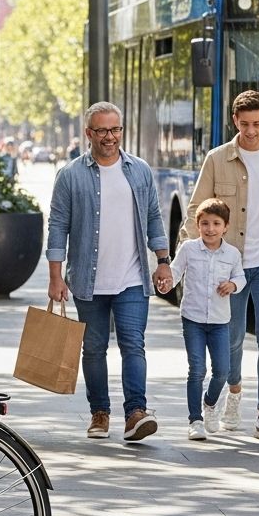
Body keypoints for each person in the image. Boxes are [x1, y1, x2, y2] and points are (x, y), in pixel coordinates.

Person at [181, 89, 259, 442]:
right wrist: (187, 255)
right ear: (234, 121)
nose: (251, 130)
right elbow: (196, 210)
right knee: (233, 340)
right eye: (244, 123)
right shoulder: (218, 158)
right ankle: (233, 393)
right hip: (227, 266)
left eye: (257, 123)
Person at [47, 101, 170, 441]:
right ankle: (99, 412)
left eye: (115, 130)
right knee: (94, 349)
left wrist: (162, 261)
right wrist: (55, 276)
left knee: (134, 344)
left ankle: (136, 414)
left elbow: (154, 218)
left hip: (132, 278)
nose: (110, 137)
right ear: (89, 133)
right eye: (102, 130)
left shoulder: (140, 170)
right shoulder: (71, 175)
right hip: (87, 280)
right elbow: (57, 226)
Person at [159, 198, 245, 441]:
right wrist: (166, 284)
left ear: (225, 227)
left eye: (216, 223)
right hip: (193, 318)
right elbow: (175, 272)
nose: (210, 229)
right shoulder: (188, 249)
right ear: (197, 225)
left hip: (219, 321)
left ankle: (209, 403)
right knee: (196, 369)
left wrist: (233, 284)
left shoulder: (232, 254)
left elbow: (241, 277)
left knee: (222, 371)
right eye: (205, 223)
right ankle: (195, 419)